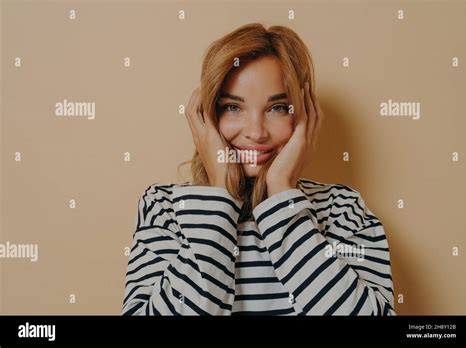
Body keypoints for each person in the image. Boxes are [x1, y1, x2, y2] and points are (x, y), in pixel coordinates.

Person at [121, 23, 395, 315]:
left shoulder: (343, 209)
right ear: (206, 115)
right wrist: (220, 194)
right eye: (232, 107)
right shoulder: (164, 207)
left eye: (277, 108)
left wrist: (282, 192)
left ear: (305, 116)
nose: (256, 132)